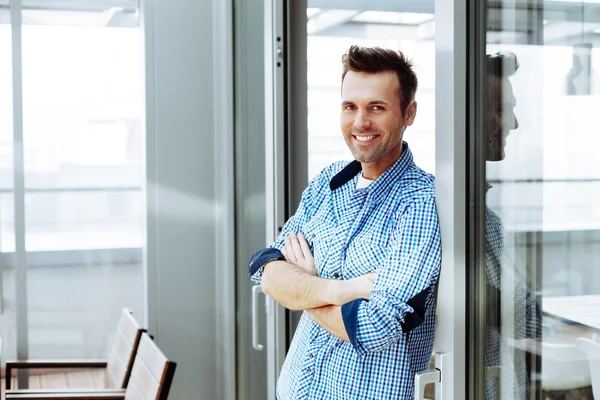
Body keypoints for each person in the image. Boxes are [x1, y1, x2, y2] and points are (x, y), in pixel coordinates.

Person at [248, 45, 441, 399]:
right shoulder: (329, 182)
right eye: (350, 107)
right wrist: (338, 290)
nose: (360, 122)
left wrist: (303, 285)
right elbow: (264, 268)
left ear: (408, 113)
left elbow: (372, 327)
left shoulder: (421, 203)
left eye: (377, 108)